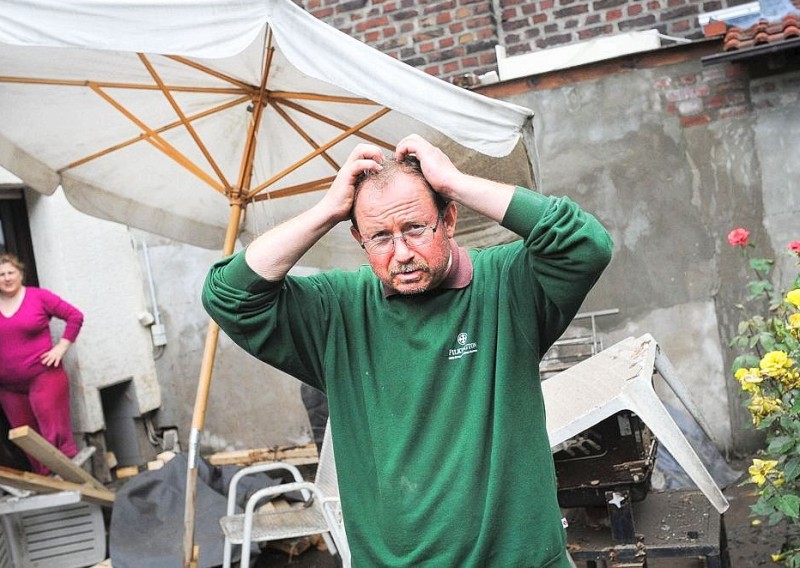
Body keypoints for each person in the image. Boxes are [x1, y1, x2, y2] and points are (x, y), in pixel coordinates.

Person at [203, 134, 613, 567]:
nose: (401, 254)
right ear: (358, 237)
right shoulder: (338, 311)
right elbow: (228, 296)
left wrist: (454, 181)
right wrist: (326, 211)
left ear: (449, 219)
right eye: (379, 237)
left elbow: (585, 245)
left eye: (415, 228)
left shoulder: (507, 285)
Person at [0, 253, 83, 474]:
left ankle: (67, 477)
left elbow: (75, 316)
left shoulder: (39, 297)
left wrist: (61, 347)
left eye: (11, 273)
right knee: (26, 436)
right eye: (1, 275)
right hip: (8, 387)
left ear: (20, 274)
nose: (6, 278)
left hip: (44, 375)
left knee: (53, 432)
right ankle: (48, 482)